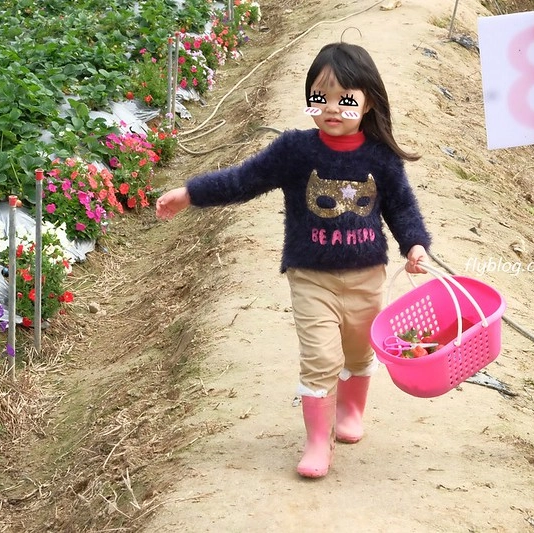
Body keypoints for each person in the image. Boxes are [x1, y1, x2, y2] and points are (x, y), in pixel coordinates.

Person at [156, 42, 432, 479]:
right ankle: (318, 442)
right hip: (311, 278)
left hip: (368, 277)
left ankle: (350, 414)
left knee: (360, 353)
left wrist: (414, 244)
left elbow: (401, 208)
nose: (333, 108)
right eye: (320, 98)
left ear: (368, 102)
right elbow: (243, 180)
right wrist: (192, 193)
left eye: (346, 99)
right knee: (321, 358)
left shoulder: (380, 158)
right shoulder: (295, 151)